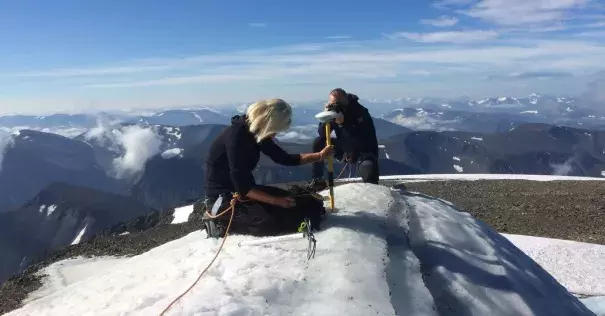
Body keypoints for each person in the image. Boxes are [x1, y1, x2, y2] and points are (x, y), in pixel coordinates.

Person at [202, 98, 334, 238]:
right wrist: (277, 201)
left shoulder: (255, 132)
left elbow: (284, 158)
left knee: (310, 204)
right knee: (270, 221)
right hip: (222, 199)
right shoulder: (236, 138)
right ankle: (218, 222)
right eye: (276, 129)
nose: (275, 134)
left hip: (244, 192)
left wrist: (320, 155)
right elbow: (242, 186)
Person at [309, 88, 379, 190]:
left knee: (368, 167)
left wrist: (343, 124)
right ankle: (317, 180)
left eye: (337, 103)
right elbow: (322, 134)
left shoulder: (360, 112)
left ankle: (374, 191)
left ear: (345, 100)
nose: (335, 106)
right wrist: (326, 118)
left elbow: (360, 139)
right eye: (332, 103)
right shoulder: (335, 112)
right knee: (318, 142)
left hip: (363, 150)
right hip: (345, 147)